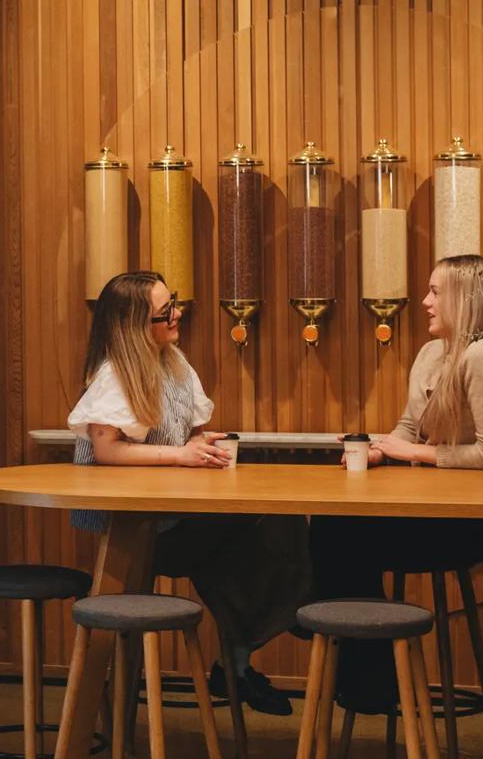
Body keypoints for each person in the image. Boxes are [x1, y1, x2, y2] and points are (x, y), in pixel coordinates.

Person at [68, 271, 309, 715]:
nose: (178, 314)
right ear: (134, 325)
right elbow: (106, 451)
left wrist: (200, 445)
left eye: (174, 303)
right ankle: (278, 625)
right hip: (133, 533)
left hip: (172, 515)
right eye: (166, 312)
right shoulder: (114, 375)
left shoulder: (174, 362)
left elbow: (191, 433)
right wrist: (179, 456)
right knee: (262, 530)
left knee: (262, 530)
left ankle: (243, 657)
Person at [312, 253, 483, 708]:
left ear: (463, 300)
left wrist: (415, 453)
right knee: (332, 527)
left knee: (335, 535)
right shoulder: (431, 354)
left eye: (435, 292)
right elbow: (409, 428)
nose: (425, 302)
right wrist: (379, 450)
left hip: (463, 524)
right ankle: (370, 675)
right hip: (423, 509)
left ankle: (367, 674)